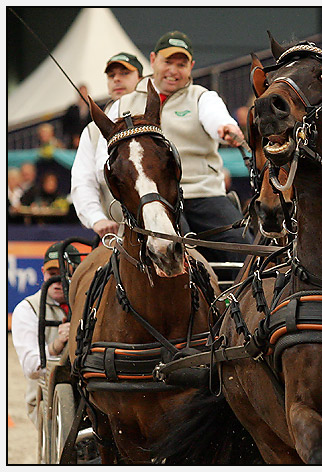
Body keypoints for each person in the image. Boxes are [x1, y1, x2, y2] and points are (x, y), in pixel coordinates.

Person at [102, 32, 250, 266]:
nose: (173, 70)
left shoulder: (202, 97)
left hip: (203, 194)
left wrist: (226, 128)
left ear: (191, 67)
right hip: (150, 201)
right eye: (167, 62)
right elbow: (106, 153)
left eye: (181, 64)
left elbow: (216, 117)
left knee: (244, 251)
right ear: (153, 60)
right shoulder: (123, 104)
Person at [71, 52, 144, 238]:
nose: (117, 79)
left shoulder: (155, 120)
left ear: (141, 79)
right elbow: (83, 181)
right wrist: (97, 218)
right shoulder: (92, 131)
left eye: (125, 73)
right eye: (112, 76)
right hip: (114, 235)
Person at [11, 243, 81, 428]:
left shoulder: (90, 303)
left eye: (66, 273)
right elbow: (31, 368)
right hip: (46, 398)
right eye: (53, 274)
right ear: (43, 272)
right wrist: (57, 344)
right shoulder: (27, 309)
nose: (59, 281)